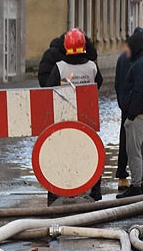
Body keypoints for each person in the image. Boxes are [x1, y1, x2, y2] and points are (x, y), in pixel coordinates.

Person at [39, 29, 103, 203]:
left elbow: (48, 89)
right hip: (86, 121)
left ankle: (56, 193)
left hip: (63, 121)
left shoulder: (60, 67)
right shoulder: (92, 67)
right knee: (90, 155)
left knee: (60, 155)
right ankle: (94, 191)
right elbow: (99, 82)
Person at [116, 27, 143, 199]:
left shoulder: (140, 64)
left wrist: (131, 114)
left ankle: (136, 186)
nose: (125, 51)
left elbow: (138, 92)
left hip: (138, 115)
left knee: (134, 152)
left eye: (127, 47)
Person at [115, 50, 132, 191]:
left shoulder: (121, 59)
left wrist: (121, 102)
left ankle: (122, 174)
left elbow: (117, 83)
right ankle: (141, 178)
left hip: (125, 106)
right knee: (140, 144)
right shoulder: (141, 60)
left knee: (124, 140)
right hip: (137, 108)